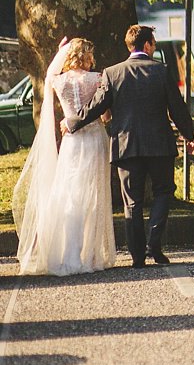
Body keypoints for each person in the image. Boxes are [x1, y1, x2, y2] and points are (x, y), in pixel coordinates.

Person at [63, 25, 194, 266]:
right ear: (146, 45)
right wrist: (189, 135)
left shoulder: (112, 73)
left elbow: (96, 105)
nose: (154, 48)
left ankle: (137, 257)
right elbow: (176, 107)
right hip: (159, 145)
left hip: (125, 145)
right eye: (154, 44)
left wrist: (72, 122)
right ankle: (153, 244)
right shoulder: (161, 70)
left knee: (132, 201)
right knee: (164, 191)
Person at [14, 38, 117, 276]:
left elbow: (50, 72)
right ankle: (89, 255)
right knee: (94, 196)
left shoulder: (58, 81)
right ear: (87, 56)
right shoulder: (98, 79)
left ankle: (68, 253)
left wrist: (59, 52)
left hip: (71, 143)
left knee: (70, 196)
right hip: (94, 141)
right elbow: (105, 116)